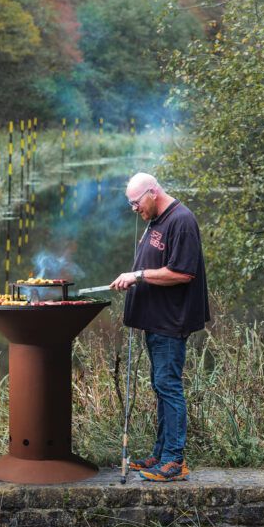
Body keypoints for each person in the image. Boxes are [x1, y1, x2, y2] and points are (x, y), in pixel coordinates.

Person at [110, 173, 209, 482]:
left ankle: (174, 461)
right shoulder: (156, 218)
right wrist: (135, 277)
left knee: (169, 386)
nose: (133, 209)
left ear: (152, 193)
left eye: (136, 202)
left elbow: (182, 273)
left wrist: (138, 275)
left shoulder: (182, 220)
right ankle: (160, 453)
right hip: (156, 321)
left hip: (171, 322)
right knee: (160, 386)